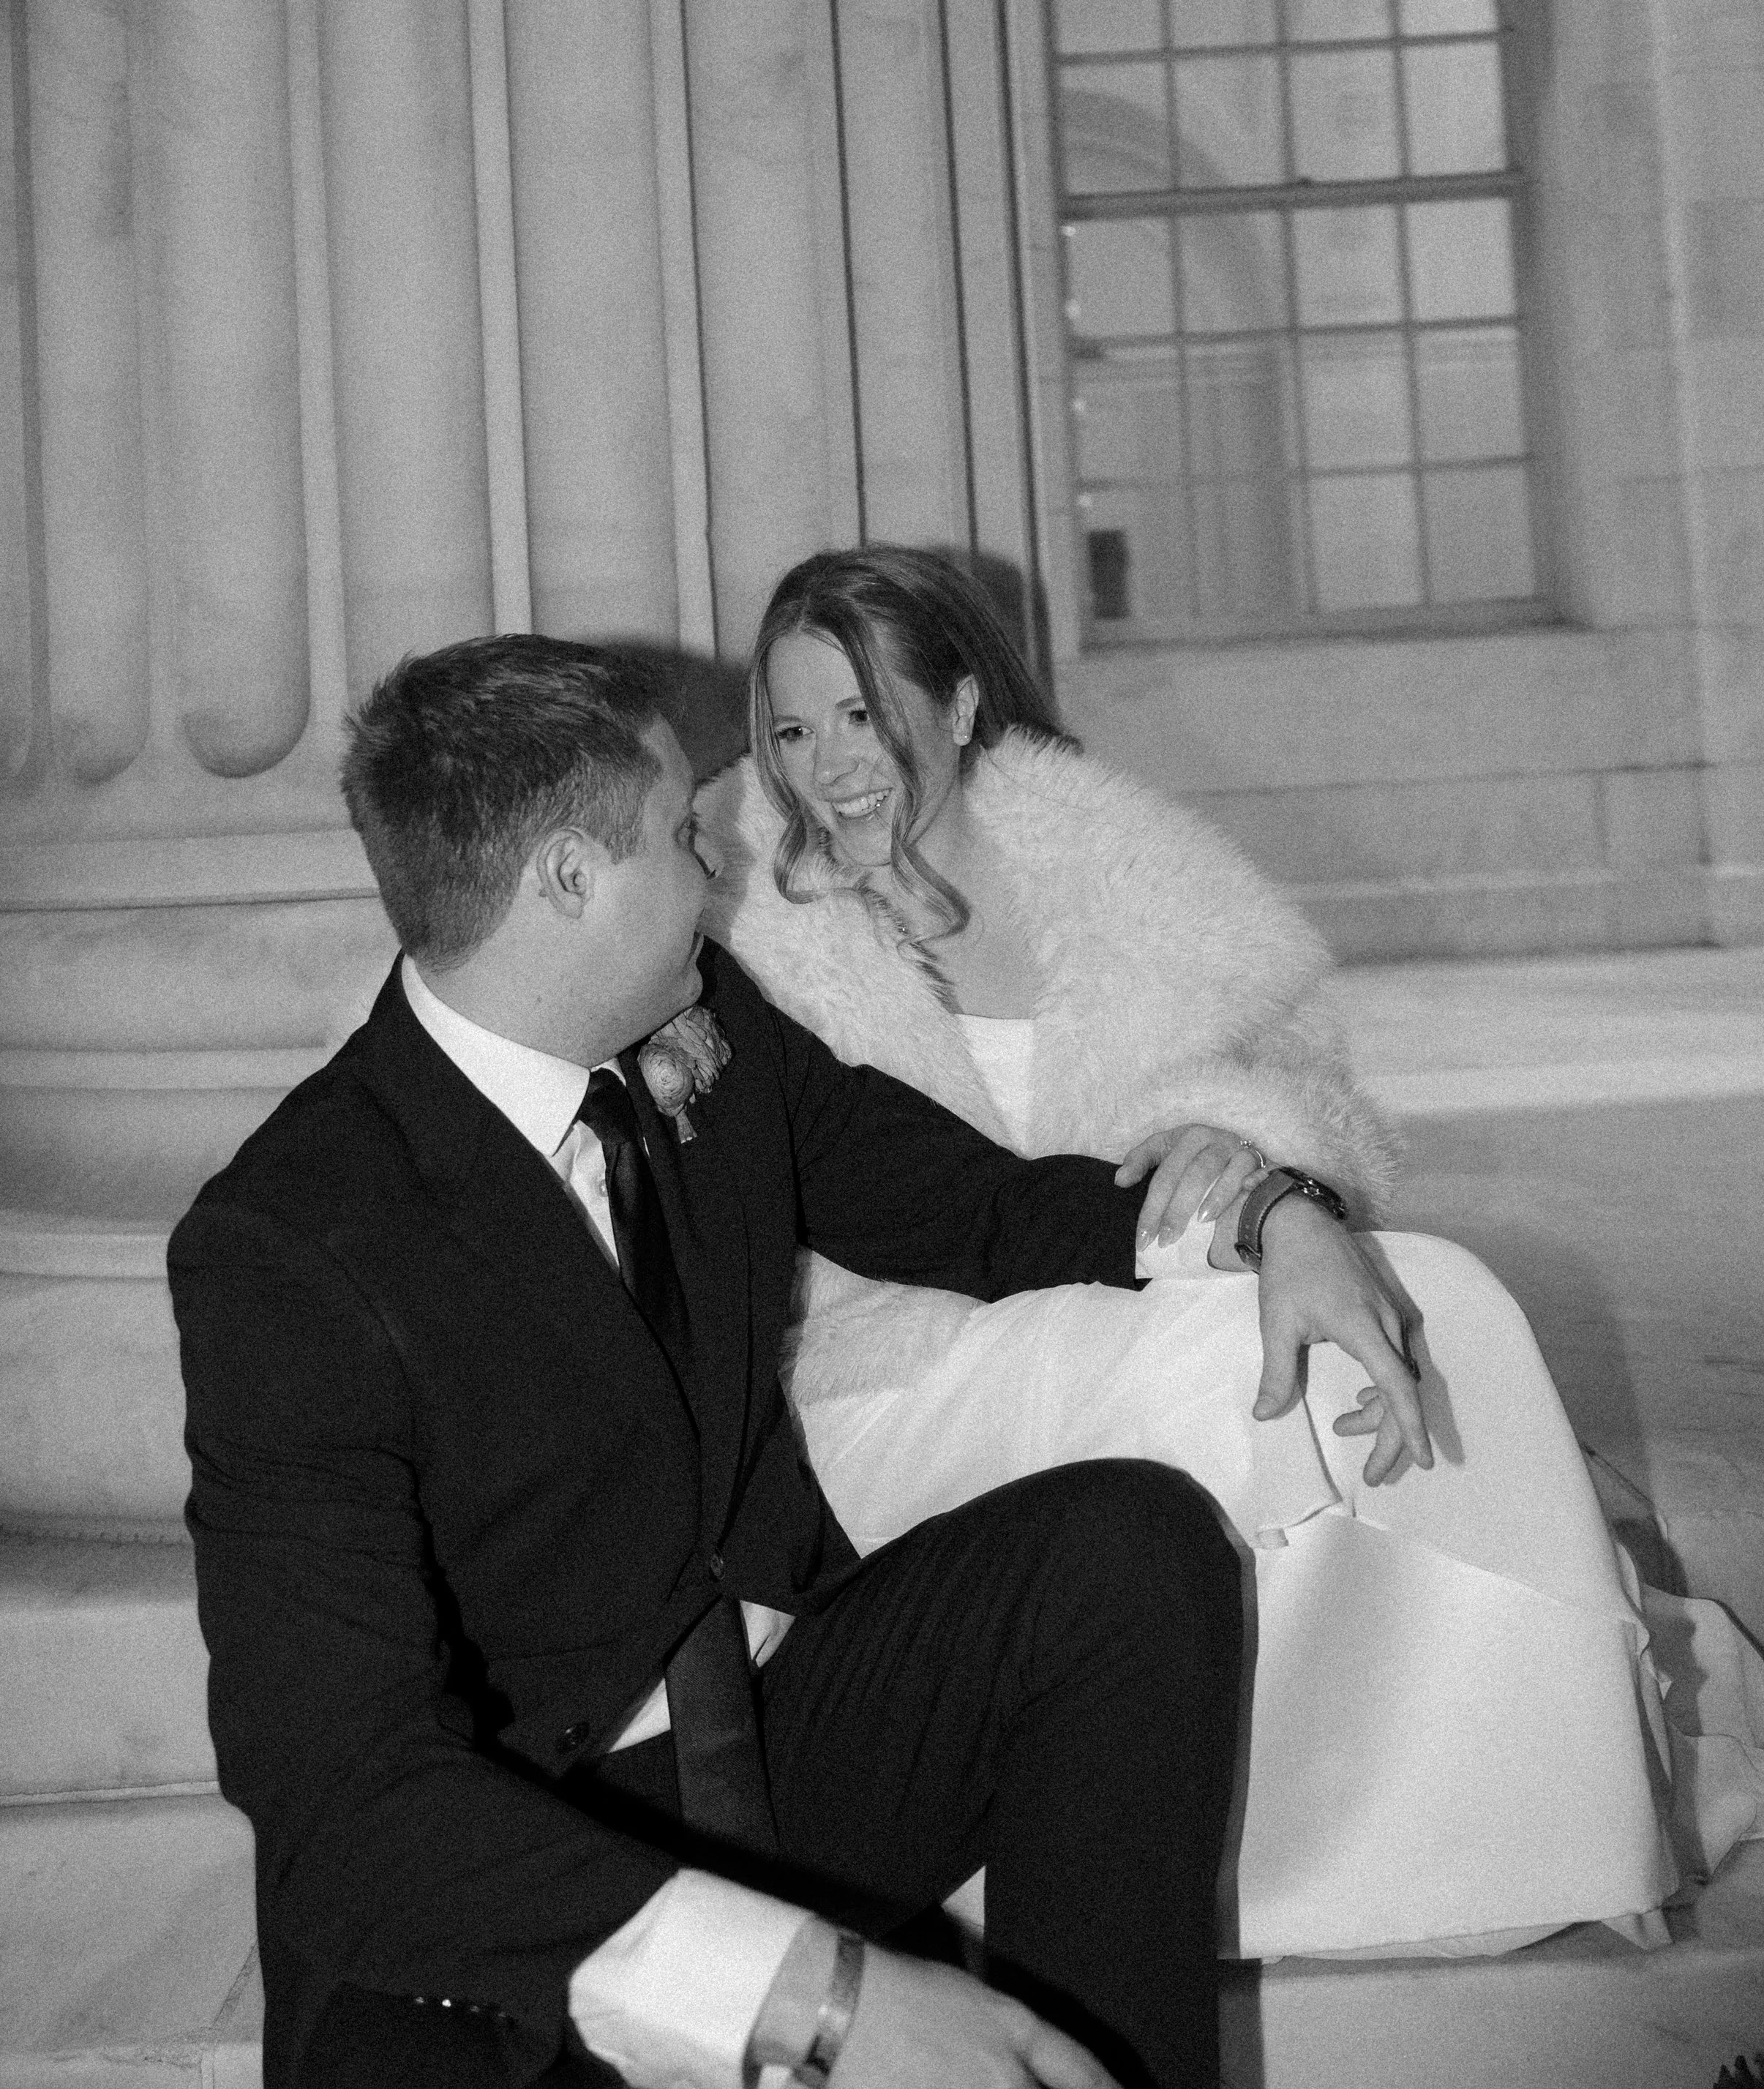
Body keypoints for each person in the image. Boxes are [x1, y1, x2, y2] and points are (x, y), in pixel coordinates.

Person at [173, 631, 1432, 2089]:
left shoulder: (697, 1024)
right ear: (566, 882)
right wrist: (815, 1996)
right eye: (681, 839)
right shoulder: (289, 1246)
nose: (720, 875)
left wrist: (1278, 1208)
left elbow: (968, 1204)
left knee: (1125, 1551)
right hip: (532, 1882)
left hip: (775, 1733)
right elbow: (342, 1800)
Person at [695, 546, 1690, 1962]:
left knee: (1441, 1300)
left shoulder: (1118, 867)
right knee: (1222, 1364)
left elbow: (1300, 1085)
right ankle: (1270, 1856)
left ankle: (1535, 1820)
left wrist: (1235, 1150)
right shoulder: (737, 914)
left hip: (1131, 1266)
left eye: (863, 716)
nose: (826, 766)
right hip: (891, 1362)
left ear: (963, 702)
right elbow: (848, 1202)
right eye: (790, 730)